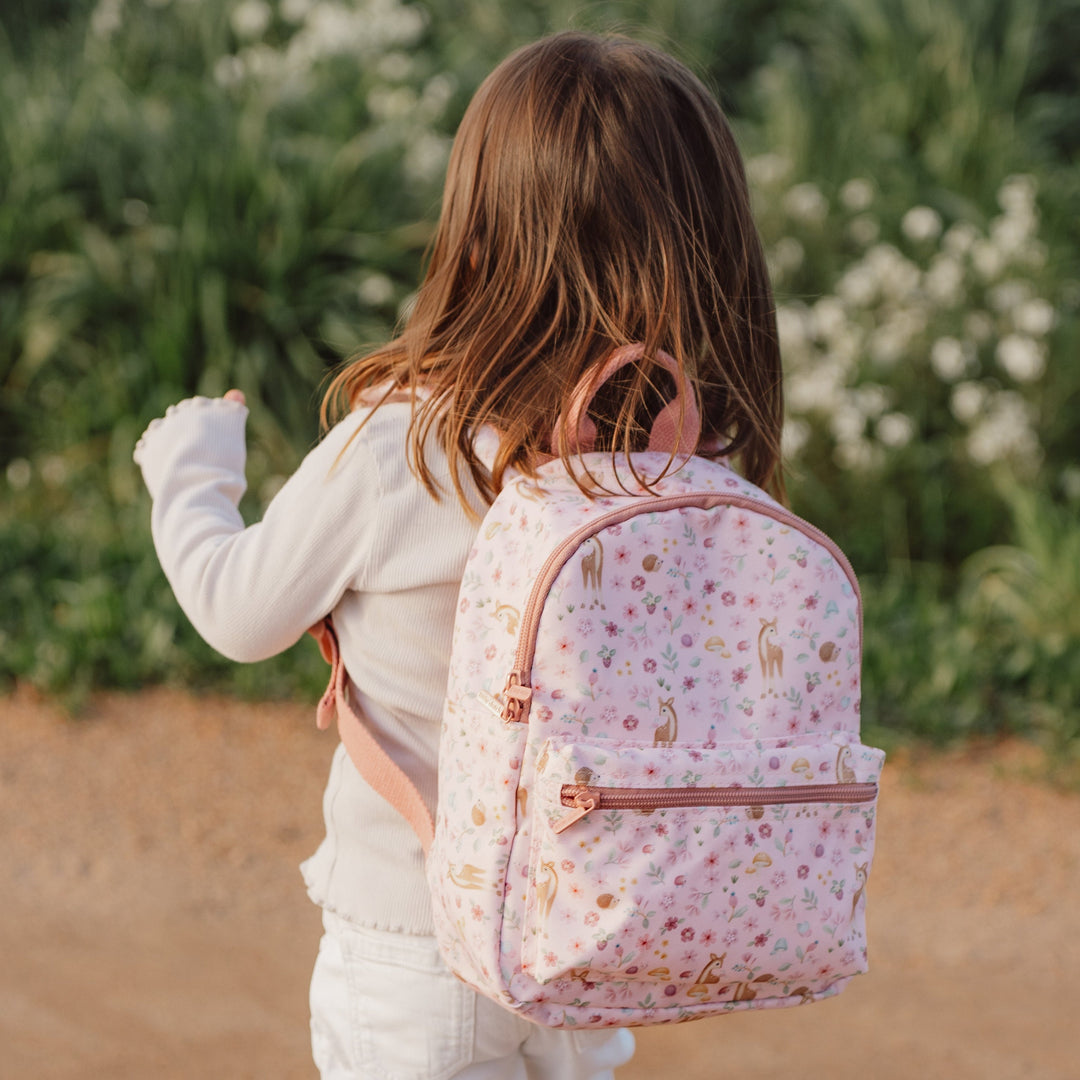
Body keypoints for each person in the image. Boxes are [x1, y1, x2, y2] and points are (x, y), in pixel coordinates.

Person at [133, 30, 783, 1080]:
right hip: (588, 939)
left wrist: (191, 471)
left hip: (419, 946)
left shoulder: (406, 448)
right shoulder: (687, 463)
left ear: (478, 237)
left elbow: (236, 612)